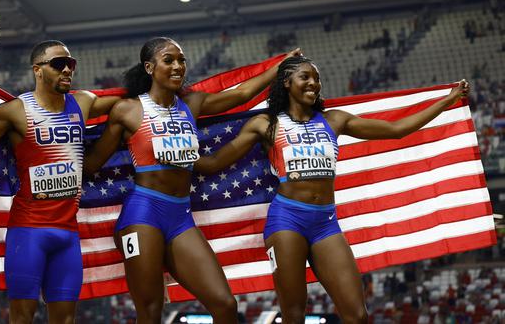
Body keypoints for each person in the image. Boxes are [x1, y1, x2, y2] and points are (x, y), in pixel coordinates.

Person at [193, 55, 470, 324]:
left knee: (357, 315)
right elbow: (214, 163)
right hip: (286, 221)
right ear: (287, 82)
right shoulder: (267, 124)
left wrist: (448, 100)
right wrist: (171, 155)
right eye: (305, 77)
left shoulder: (334, 120)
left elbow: (396, 129)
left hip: (325, 223)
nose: (313, 83)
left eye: (317, 78)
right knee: (293, 316)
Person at [84, 37, 300, 324]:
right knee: (149, 312)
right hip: (142, 215)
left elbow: (241, 94)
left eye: (181, 60)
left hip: (180, 217)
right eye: (169, 60)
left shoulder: (192, 103)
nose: (178, 66)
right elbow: (95, 162)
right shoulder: (128, 110)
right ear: (149, 67)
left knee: (224, 304)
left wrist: (280, 66)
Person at [0, 40, 120, 324]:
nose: (67, 69)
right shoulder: (16, 111)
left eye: (71, 64)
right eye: (58, 64)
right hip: (28, 232)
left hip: (67, 233)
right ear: (37, 70)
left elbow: (132, 102)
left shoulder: (83, 102)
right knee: (22, 317)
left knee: (65, 320)